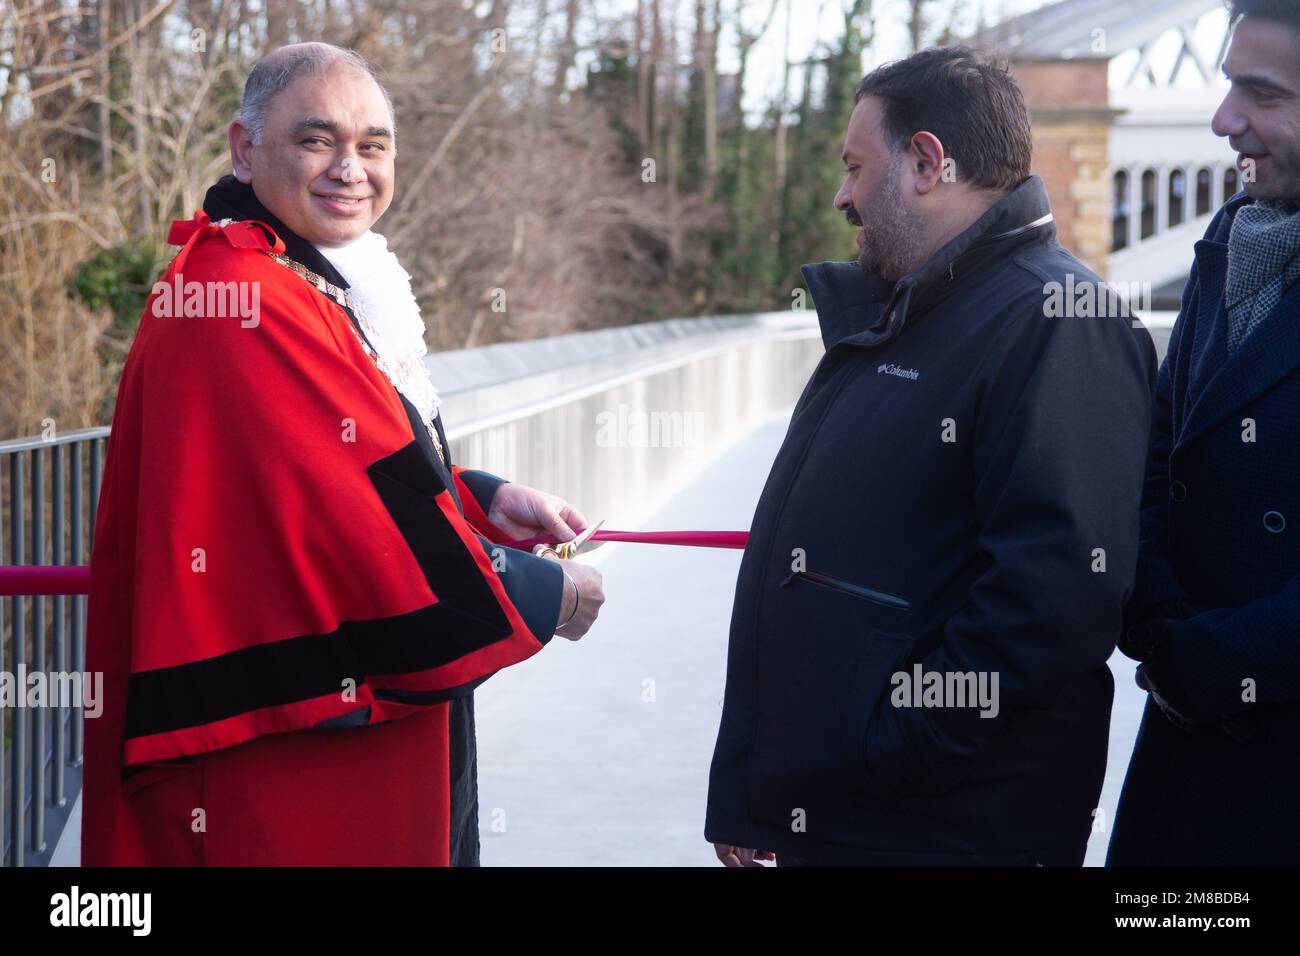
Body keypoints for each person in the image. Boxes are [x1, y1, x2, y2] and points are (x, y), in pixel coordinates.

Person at [82, 42, 604, 866]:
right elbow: (356, 521)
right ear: (245, 148)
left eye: (374, 145)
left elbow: (330, 470)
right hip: (287, 749)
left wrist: (480, 500)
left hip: (312, 722)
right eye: (316, 140)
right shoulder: (245, 298)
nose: (350, 169)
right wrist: (549, 594)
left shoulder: (281, 273)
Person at [706, 46, 1156, 866]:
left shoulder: (1060, 322)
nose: (842, 196)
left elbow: (1051, 605)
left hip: (934, 827)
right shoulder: (909, 312)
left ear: (925, 162)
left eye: (854, 166)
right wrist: (766, 787)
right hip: (857, 812)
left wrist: (879, 753)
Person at [1108, 0, 1300, 866]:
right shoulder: (1230, 242)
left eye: (1260, 94)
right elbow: (1157, 454)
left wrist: (1223, 656)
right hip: (1190, 734)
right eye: (1228, 87)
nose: (1224, 121)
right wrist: (1158, 618)